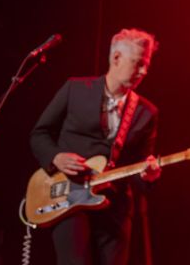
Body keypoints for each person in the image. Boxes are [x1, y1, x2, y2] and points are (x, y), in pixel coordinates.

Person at [30, 28, 162, 265]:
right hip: (69, 195)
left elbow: (139, 169)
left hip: (115, 209)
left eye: (147, 65)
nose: (144, 71)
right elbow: (39, 134)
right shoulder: (75, 89)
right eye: (139, 63)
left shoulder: (147, 112)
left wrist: (148, 176)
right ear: (116, 58)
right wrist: (56, 157)